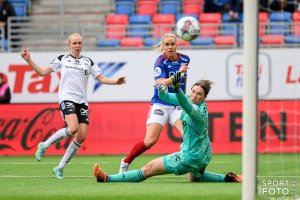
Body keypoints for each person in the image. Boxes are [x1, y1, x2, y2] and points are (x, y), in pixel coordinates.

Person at [93, 75, 242, 183]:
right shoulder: (191, 101)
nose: (195, 96)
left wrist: (177, 88)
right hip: (204, 155)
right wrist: (162, 88)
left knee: (148, 168)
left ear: (205, 98)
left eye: (199, 94)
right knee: (194, 177)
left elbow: (185, 103)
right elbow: (165, 97)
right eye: (193, 92)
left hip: (191, 156)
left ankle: (107, 178)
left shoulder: (198, 112)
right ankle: (228, 178)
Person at [20, 32, 126, 179]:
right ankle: (44, 145)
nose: (77, 46)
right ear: (68, 45)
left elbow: (100, 78)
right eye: (74, 43)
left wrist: (116, 81)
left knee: (81, 136)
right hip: (66, 98)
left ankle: (59, 168)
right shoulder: (62, 59)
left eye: (79, 43)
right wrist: (29, 60)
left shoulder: (88, 61)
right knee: (73, 128)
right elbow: (43, 72)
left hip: (82, 102)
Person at [118, 32, 189, 173]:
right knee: (149, 141)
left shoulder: (185, 59)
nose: (169, 47)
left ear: (177, 45)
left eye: (172, 44)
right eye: (167, 44)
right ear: (163, 46)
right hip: (161, 103)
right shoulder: (160, 62)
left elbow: (183, 82)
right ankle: (126, 161)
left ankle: (189, 165)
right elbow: (160, 84)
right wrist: (178, 75)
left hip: (177, 104)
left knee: (187, 136)